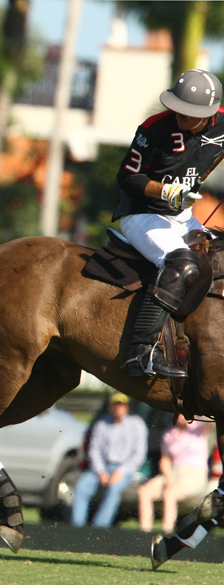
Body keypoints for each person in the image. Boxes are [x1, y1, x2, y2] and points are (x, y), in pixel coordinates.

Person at [114, 69, 224, 379]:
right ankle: (141, 353)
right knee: (182, 265)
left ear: (209, 114)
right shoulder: (154, 129)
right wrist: (165, 191)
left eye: (189, 113)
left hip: (183, 218)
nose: (180, 116)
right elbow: (126, 178)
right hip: (142, 214)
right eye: (177, 108)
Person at [70, 392, 147, 528]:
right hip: (102, 467)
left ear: (127, 407)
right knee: (81, 487)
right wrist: (100, 471)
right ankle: (77, 526)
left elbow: (139, 454)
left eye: (122, 405)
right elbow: (94, 450)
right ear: (111, 407)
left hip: (125, 470)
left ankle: (100, 527)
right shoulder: (102, 424)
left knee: (113, 489)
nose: (119, 408)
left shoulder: (136, 424)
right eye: (116, 405)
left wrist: (121, 471)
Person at [137, 414, 212, 534]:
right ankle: (144, 531)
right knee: (144, 491)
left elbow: (211, 420)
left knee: (169, 494)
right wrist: (168, 478)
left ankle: (167, 532)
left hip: (194, 473)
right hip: (173, 472)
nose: (181, 416)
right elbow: (165, 460)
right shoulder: (169, 433)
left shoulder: (199, 428)